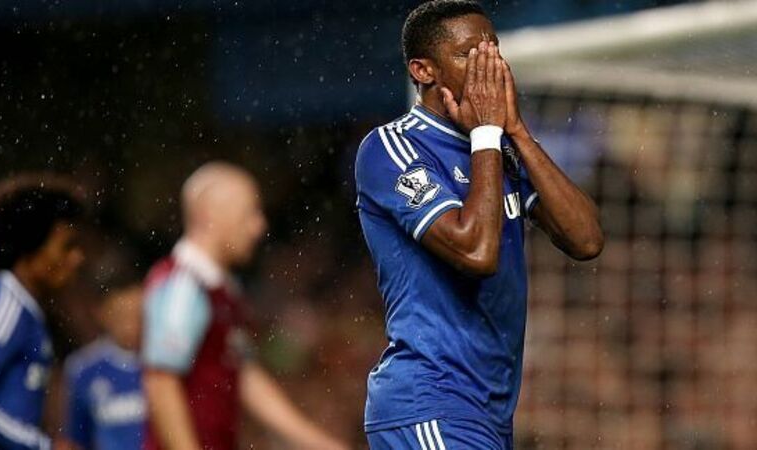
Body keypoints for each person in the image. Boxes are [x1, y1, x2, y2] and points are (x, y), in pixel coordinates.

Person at [354, 1, 605, 449]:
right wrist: (487, 135)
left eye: (494, 49)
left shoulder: (499, 148)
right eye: (469, 53)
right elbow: (476, 252)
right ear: (423, 70)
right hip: (430, 400)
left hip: (487, 411)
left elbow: (586, 239)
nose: (489, 64)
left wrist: (517, 131)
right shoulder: (390, 148)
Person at [141, 162, 347, 450]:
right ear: (210, 215)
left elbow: (245, 377)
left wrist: (321, 444)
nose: (259, 226)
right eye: (249, 213)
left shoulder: (223, 290)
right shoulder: (183, 285)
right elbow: (162, 382)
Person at [0, 174, 86, 449]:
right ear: (30, 247)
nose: (77, 258)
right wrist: (38, 445)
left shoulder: (28, 312)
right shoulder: (5, 304)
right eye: (66, 247)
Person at [62, 261, 146, 450]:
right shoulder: (83, 369)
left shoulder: (164, 363)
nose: (130, 326)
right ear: (102, 314)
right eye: (121, 316)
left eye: (137, 315)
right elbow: (76, 438)